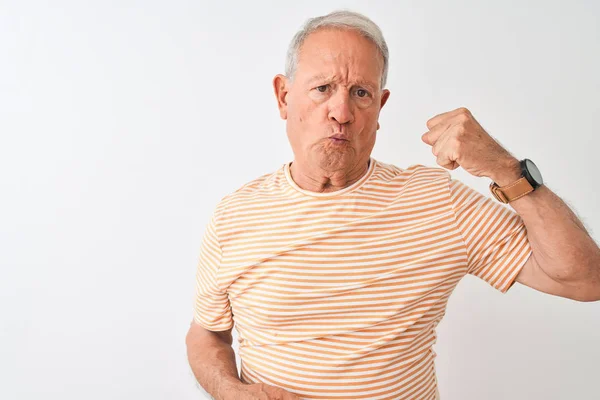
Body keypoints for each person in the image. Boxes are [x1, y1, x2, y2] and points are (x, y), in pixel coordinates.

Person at [185, 10, 600, 400]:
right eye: (323, 88)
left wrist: (506, 169)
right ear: (283, 96)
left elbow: (586, 281)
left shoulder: (437, 201)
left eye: (360, 93)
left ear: (380, 107)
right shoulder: (234, 216)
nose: (341, 112)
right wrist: (230, 390)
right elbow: (207, 333)